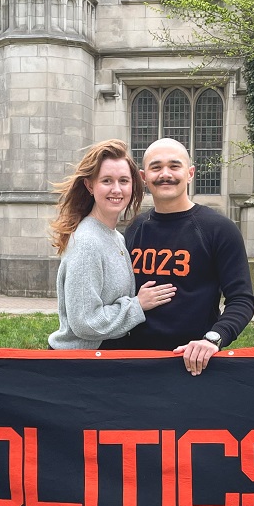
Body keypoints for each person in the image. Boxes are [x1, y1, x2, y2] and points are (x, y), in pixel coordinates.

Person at [102, 138, 254, 375]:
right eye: (156, 167)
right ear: (143, 177)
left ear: (190, 173)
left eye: (174, 166)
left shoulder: (219, 229)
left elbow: (242, 299)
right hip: (135, 363)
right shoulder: (134, 228)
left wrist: (212, 340)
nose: (165, 174)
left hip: (193, 363)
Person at [48, 140, 176, 350]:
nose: (117, 189)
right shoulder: (87, 241)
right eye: (107, 180)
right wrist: (137, 305)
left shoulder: (116, 237)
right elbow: (85, 322)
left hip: (102, 360)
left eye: (124, 181)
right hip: (79, 365)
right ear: (90, 186)